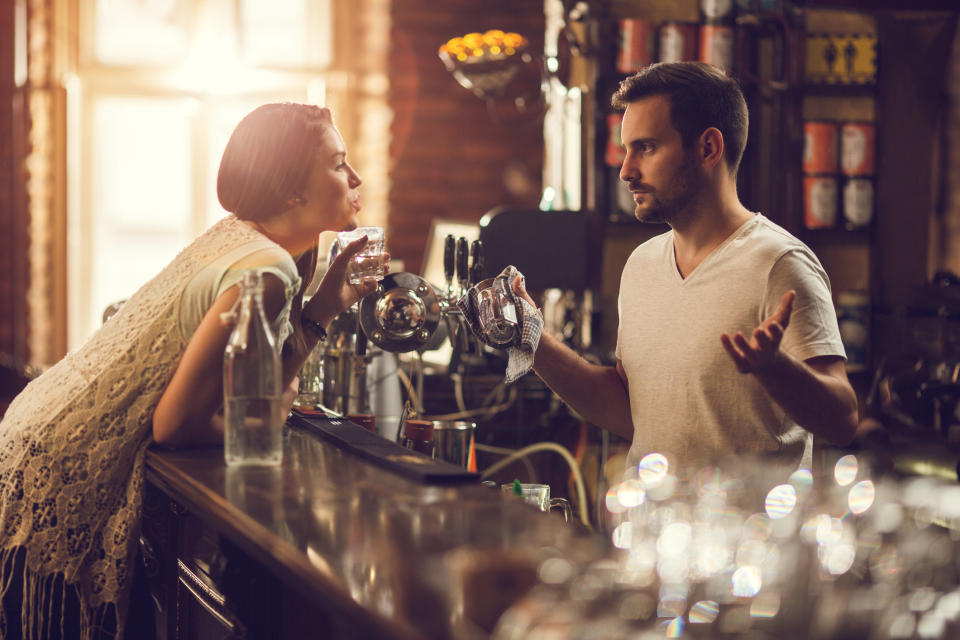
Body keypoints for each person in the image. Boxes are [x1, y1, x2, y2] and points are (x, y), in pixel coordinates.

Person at [0, 102, 382, 638]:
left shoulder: (242, 238)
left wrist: (325, 306)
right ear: (293, 188)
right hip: (63, 461)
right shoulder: (267, 267)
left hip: (33, 432)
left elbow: (253, 382)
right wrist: (262, 425)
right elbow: (176, 425)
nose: (356, 176)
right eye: (339, 162)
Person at [514, 62, 858, 475]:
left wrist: (776, 369)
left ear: (708, 148)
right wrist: (529, 335)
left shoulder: (779, 263)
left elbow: (843, 421)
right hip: (653, 532)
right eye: (626, 150)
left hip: (749, 535)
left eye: (646, 147)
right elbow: (629, 410)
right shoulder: (640, 266)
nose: (626, 171)